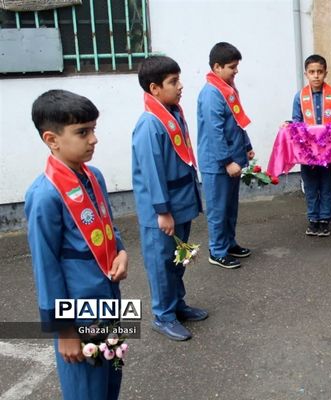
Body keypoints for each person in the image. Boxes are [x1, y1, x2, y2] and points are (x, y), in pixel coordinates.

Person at [25, 89, 128, 399]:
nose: (93, 139)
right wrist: (64, 331)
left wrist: (121, 250)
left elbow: (106, 224)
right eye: (82, 132)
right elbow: (46, 266)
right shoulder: (44, 196)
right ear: (52, 139)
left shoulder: (93, 176)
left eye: (93, 129)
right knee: (86, 389)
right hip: (78, 314)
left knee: (110, 380)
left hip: (107, 301)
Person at [132, 55, 205, 341]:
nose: (180, 86)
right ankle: (163, 316)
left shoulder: (173, 113)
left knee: (179, 259)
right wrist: (162, 211)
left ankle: (177, 305)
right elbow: (151, 173)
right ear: (154, 89)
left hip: (181, 203)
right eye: (173, 82)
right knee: (161, 264)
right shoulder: (150, 124)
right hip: (162, 210)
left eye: (179, 80)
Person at [197, 42, 254, 269]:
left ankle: (229, 243)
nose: (236, 71)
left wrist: (246, 145)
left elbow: (238, 120)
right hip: (218, 164)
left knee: (230, 206)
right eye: (232, 67)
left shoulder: (227, 89)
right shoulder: (212, 93)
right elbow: (215, 132)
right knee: (218, 209)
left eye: (237, 66)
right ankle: (217, 250)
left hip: (232, 159)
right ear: (217, 67)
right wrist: (227, 161)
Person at [291, 54, 331, 237]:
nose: (316, 76)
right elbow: (296, 121)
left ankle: (325, 220)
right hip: (307, 153)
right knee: (310, 186)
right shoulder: (299, 97)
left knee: (326, 185)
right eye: (312, 72)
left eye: (319, 72)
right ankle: (313, 219)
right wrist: (288, 125)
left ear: (325, 73)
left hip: (327, 152)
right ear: (306, 74)